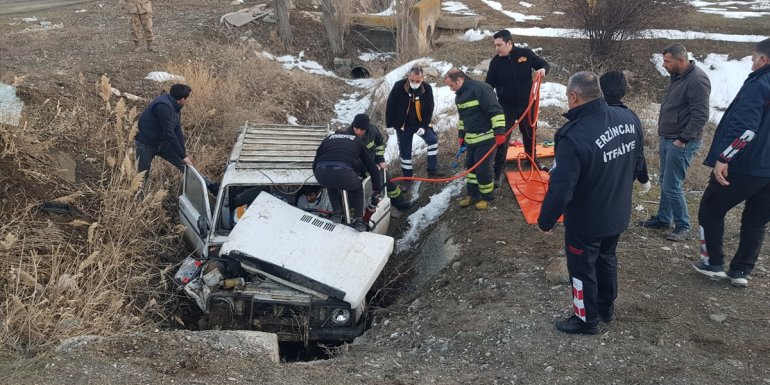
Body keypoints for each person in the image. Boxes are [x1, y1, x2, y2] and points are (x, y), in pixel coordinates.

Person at [538, 72, 645, 335]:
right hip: (617, 210)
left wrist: (546, 220)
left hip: (586, 219)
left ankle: (585, 319)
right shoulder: (628, 118)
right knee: (607, 258)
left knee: (582, 269)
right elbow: (637, 164)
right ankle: (606, 308)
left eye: (567, 97)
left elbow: (561, 189)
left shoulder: (573, 136)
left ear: (574, 96)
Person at [693, 38, 770, 287]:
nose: (750, 60)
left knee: (710, 209)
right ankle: (741, 271)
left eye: (753, 57)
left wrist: (724, 157)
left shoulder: (759, 85)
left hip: (748, 165)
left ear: (763, 60)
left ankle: (712, 262)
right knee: (756, 220)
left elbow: (746, 129)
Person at [639, 43, 711, 241]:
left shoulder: (697, 80)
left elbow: (701, 115)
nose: (664, 65)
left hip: (681, 141)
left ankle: (683, 226)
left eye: (667, 61)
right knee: (665, 180)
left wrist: (683, 139)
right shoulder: (676, 76)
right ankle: (663, 218)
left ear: (681, 60)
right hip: (668, 136)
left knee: (672, 184)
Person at [485, 29, 550, 184]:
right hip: (506, 106)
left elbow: (543, 64)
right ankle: (498, 170)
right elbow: (488, 86)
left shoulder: (525, 54)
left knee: (529, 132)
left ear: (509, 43)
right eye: (495, 45)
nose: (497, 48)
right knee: (502, 137)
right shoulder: (495, 63)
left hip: (528, 103)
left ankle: (531, 159)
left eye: (499, 45)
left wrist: (542, 70)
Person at [135, 84, 217, 194]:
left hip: (162, 143)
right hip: (145, 144)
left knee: (186, 165)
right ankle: (138, 200)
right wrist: (182, 155)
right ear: (182, 99)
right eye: (187, 98)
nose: (188, 101)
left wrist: (183, 154)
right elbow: (170, 133)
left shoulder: (176, 106)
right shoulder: (162, 106)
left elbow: (177, 130)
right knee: (142, 175)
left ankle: (211, 186)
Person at [444, 68, 506, 210]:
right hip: (471, 140)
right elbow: (463, 118)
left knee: (483, 169)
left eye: (451, 85)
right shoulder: (459, 95)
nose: (451, 89)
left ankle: (487, 197)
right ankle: (473, 195)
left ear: (459, 80)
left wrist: (499, 132)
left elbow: (495, 110)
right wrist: (461, 134)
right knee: (471, 168)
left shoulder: (481, 89)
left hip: (485, 138)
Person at [385, 66, 443, 190]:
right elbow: (390, 105)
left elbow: (429, 109)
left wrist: (424, 125)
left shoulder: (426, 89)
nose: (415, 83)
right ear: (408, 77)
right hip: (403, 125)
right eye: (412, 80)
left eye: (418, 81)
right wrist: (389, 124)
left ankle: (432, 170)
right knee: (405, 152)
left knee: (432, 140)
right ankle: (408, 179)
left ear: (422, 79)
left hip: (420, 123)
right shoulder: (399, 86)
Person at [313, 130, 383, 232]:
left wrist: (319, 176)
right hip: (343, 171)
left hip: (321, 172)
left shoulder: (327, 139)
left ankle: (337, 213)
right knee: (357, 187)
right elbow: (372, 167)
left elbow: (315, 163)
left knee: (331, 184)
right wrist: (376, 190)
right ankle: (359, 221)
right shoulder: (356, 140)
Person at [599, 70, 651, 194]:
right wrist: (643, 178)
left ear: (600, 89)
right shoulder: (632, 117)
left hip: (598, 189)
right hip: (622, 187)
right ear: (623, 92)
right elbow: (639, 152)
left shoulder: (594, 118)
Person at [348, 114, 410, 211]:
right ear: (353, 126)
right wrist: (367, 168)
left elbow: (380, 145)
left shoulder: (373, 130)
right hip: (356, 169)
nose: (359, 132)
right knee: (356, 192)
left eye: (362, 130)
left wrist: (380, 160)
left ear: (367, 128)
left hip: (374, 164)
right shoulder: (348, 136)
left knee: (388, 183)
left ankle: (399, 203)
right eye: (356, 129)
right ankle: (358, 214)